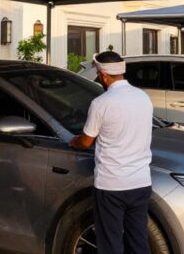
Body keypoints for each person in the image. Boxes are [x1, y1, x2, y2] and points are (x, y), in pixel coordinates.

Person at [69, 51, 153, 254]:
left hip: (111, 185)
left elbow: (86, 140)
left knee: (110, 243)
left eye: (98, 73)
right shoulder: (143, 97)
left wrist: (74, 141)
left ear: (104, 76)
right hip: (141, 182)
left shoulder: (101, 103)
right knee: (139, 240)